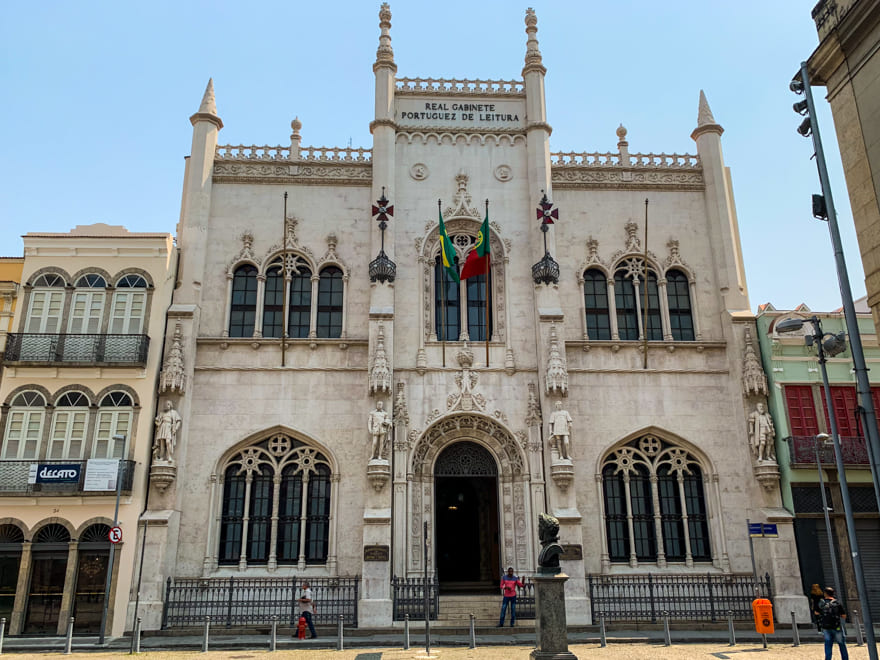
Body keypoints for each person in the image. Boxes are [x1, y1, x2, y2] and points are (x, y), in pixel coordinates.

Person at [816, 586, 848, 660]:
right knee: (842, 645)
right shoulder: (837, 603)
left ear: (825, 594)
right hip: (837, 626)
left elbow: (816, 612)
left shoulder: (822, 603)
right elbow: (844, 616)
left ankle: (828, 659)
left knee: (828, 645)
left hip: (826, 627)